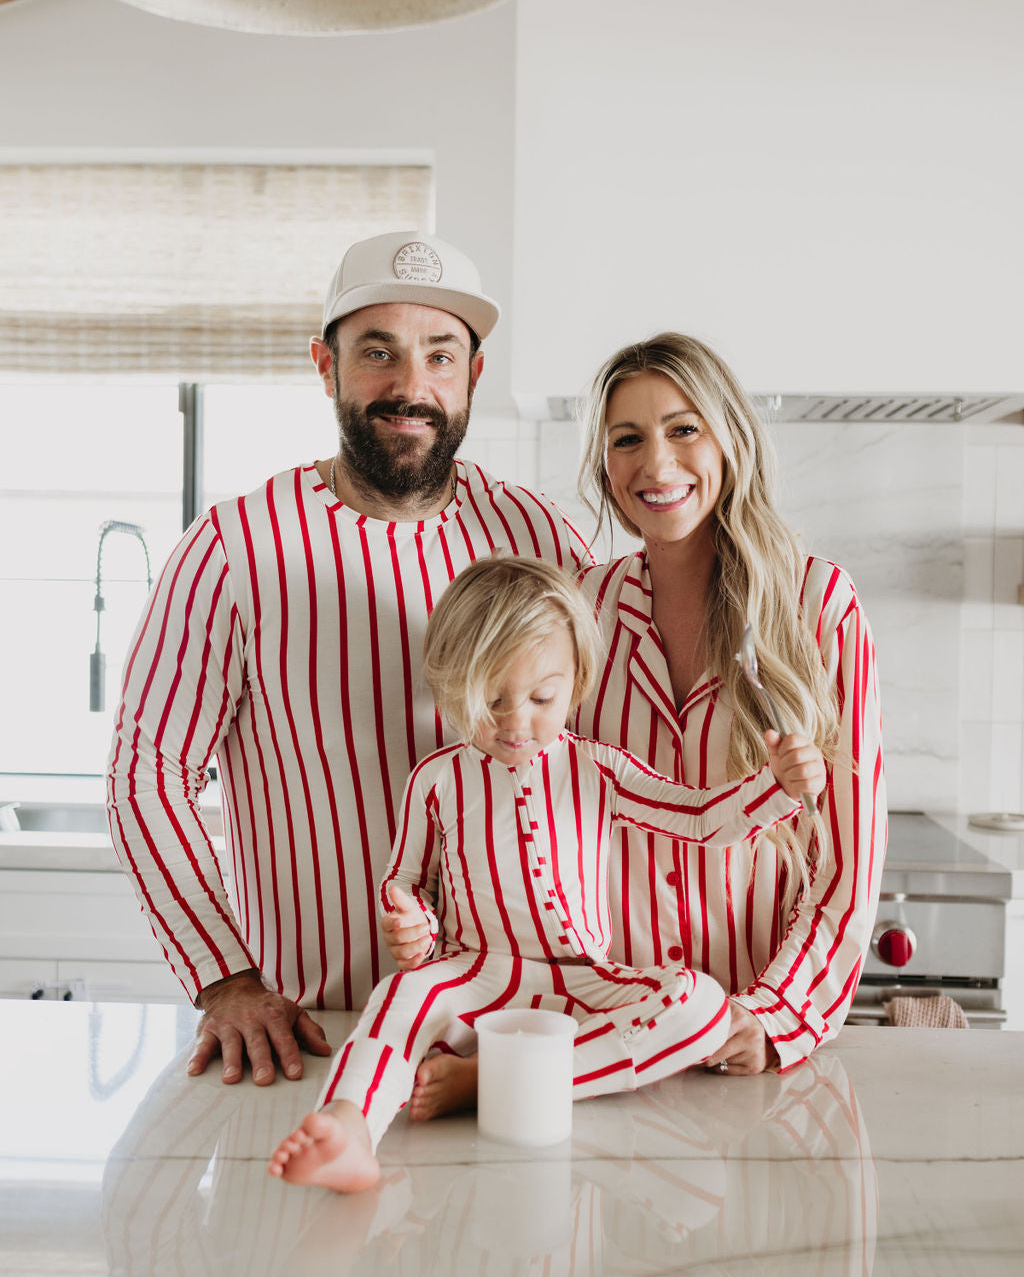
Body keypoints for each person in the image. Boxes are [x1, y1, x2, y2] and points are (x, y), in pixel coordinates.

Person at [106, 231, 591, 1088]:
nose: (412, 386)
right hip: (314, 1042)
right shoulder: (234, 548)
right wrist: (226, 977)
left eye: (440, 355)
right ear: (325, 367)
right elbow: (148, 775)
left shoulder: (540, 538)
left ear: (474, 375)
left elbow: (599, 756)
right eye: (378, 353)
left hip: (515, 1040)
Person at [267, 556, 826, 1192]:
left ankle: (496, 1085)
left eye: (540, 699)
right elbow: (404, 880)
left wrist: (775, 789)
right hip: (474, 971)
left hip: (587, 982)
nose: (514, 724)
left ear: (577, 683)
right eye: (490, 700)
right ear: (451, 686)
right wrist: (411, 925)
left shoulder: (600, 770)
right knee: (398, 999)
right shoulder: (438, 780)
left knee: (704, 1008)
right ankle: (348, 1125)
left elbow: (698, 818)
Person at [573, 332, 886, 1075]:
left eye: (685, 428)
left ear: (730, 440)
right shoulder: (582, 608)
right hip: (611, 1039)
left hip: (750, 1043)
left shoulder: (819, 605)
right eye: (628, 438)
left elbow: (849, 862)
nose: (657, 463)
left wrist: (771, 1014)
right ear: (605, 464)